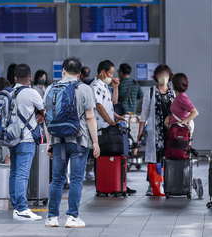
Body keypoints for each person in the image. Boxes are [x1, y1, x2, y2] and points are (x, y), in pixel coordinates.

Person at [45, 57, 100, 228]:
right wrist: (96, 142)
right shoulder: (85, 89)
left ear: (63, 71)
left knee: (57, 179)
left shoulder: (51, 88)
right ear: (80, 73)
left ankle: (52, 217)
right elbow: (90, 117)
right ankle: (72, 217)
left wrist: (49, 142)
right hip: (79, 140)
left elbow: (48, 118)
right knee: (76, 179)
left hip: (57, 140)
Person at [8, 64, 45, 221]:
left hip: (12, 138)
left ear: (15, 78)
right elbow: (44, 110)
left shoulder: (9, 92)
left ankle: (16, 207)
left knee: (15, 173)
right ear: (30, 78)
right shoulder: (32, 93)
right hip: (27, 139)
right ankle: (22, 209)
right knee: (23, 175)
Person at [90, 60, 131, 191]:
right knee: (102, 157)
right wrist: (111, 122)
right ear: (102, 72)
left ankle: (116, 182)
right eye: (110, 73)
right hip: (101, 128)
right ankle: (103, 184)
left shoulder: (104, 86)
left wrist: (116, 87)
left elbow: (113, 102)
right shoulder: (95, 86)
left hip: (107, 127)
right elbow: (98, 106)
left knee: (111, 155)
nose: (112, 76)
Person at [138, 65, 175, 196]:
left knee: (167, 157)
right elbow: (144, 113)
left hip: (169, 132)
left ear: (169, 76)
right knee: (154, 159)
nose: (163, 77)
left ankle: (166, 183)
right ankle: (152, 185)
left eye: (166, 74)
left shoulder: (172, 92)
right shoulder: (151, 92)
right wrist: (140, 131)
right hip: (155, 132)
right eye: (161, 74)